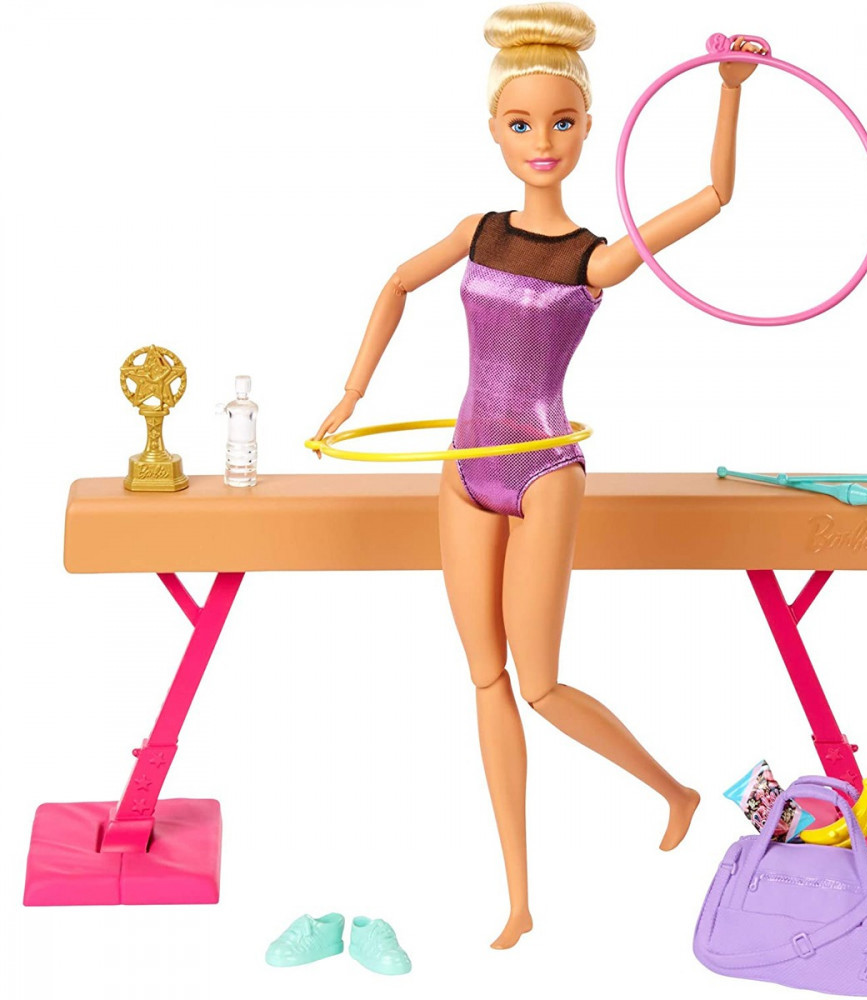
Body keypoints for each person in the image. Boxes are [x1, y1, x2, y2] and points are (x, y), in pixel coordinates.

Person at [313, 3, 756, 950]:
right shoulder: (477, 231)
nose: (542, 141)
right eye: (522, 123)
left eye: (561, 122)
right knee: (486, 678)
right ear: (494, 129)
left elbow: (715, 196)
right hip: (464, 465)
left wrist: (728, 92)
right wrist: (351, 394)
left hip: (545, 468)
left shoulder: (594, 259)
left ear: (589, 127)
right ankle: (517, 898)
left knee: (542, 685)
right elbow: (396, 282)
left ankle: (672, 789)